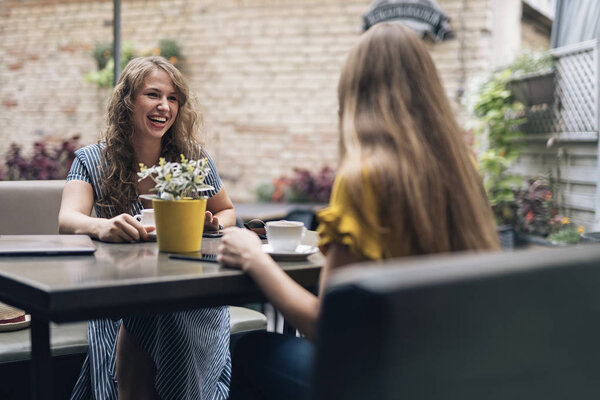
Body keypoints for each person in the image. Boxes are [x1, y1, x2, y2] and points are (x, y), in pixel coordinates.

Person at [219, 22, 500, 400]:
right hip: (453, 375)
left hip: (384, 382)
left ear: (354, 93)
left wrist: (255, 258)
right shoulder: (462, 170)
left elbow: (331, 327)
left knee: (248, 349)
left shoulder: (365, 177)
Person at [59, 56, 235, 400]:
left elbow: (227, 212)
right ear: (128, 100)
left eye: (172, 98)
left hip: (189, 290)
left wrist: (212, 224)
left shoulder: (193, 158)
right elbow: (68, 219)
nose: (164, 107)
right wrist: (103, 226)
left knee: (177, 315)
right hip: (121, 291)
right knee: (150, 315)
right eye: (152, 95)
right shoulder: (93, 159)